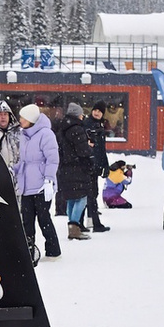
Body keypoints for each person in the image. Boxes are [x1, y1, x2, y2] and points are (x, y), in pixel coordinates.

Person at [14, 103, 61, 261]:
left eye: (23, 117)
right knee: (26, 220)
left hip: (41, 185)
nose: (20, 120)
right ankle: (29, 251)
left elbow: (52, 160)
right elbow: (23, 159)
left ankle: (53, 250)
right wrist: (13, 169)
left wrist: (49, 179)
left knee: (43, 218)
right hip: (26, 186)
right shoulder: (23, 135)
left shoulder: (46, 134)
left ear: (31, 119)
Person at [57, 103, 94, 241]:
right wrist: (90, 147)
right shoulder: (77, 129)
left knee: (71, 198)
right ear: (77, 114)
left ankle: (72, 227)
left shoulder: (62, 129)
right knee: (82, 197)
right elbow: (82, 151)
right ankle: (74, 227)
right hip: (77, 167)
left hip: (65, 168)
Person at [83, 102, 111, 233]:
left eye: (100, 111)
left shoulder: (100, 126)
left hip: (95, 164)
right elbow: (89, 146)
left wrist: (105, 165)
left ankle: (90, 219)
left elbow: (102, 149)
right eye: (95, 110)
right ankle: (93, 222)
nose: (97, 113)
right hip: (89, 164)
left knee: (93, 192)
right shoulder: (87, 124)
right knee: (90, 194)